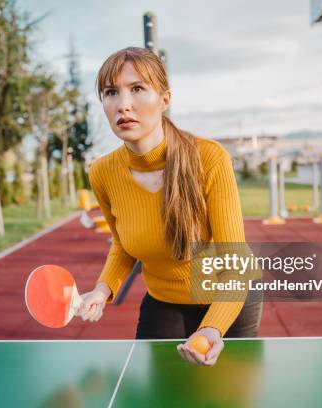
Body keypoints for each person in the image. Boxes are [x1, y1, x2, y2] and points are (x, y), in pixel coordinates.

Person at [78, 47, 262, 366]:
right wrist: (102, 289)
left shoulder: (210, 158)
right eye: (111, 92)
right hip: (164, 303)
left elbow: (237, 261)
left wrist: (212, 328)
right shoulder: (102, 172)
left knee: (227, 396)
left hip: (228, 299)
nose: (123, 104)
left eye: (137, 89)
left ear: (164, 100)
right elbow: (123, 244)